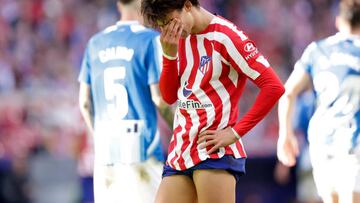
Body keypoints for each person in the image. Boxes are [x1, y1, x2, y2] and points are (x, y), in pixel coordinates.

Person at [141, 1, 285, 202]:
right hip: (180, 150)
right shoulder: (173, 40)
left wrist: (235, 133)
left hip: (213, 151)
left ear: (188, 5)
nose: (168, 30)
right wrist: (169, 55)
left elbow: (273, 86)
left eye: (169, 21)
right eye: (162, 26)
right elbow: (169, 96)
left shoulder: (227, 36)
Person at [78, 0, 173, 202]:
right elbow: (159, 99)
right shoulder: (150, 40)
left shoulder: (95, 43)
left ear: (119, 4)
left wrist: (99, 137)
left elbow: (85, 103)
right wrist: (181, 131)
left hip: (106, 153)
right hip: (142, 149)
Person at [277, 0, 360, 202]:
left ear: (338, 22)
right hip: (353, 140)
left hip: (322, 142)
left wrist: (285, 135)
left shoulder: (317, 50)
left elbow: (287, 93)